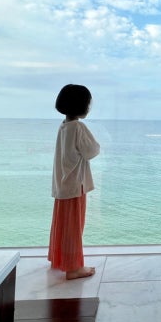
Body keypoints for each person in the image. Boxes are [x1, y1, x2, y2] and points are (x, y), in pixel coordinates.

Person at [48, 84, 100, 280]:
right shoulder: (78, 127)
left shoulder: (64, 126)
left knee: (61, 225)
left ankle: (58, 259)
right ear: (81, 105)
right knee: (74, 228)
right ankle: (73, 268)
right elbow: (91, 151)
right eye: (88, 103)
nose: (89, 107)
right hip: (75, 185)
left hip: (62, 185)